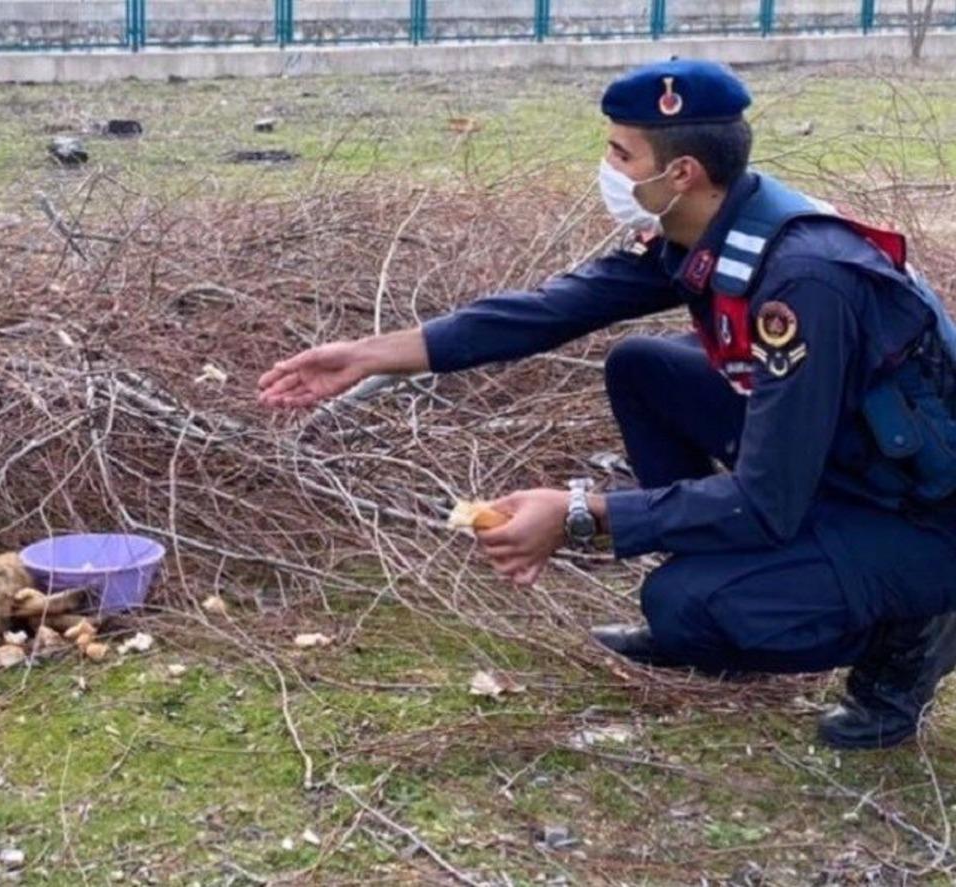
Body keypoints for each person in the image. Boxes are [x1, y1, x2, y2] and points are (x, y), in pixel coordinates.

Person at [257, 58, 956, 750]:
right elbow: (554, 308)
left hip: (925, 514)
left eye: (621, 152)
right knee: (643, 368)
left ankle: (911, 634)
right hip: (852, 459)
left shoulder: (804, 280)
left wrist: (579, 517)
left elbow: (769, 496)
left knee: (682, 604)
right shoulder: (722, 223)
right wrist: (373, 354)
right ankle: (739, 580)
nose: (608, 167)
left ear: (681, 173)